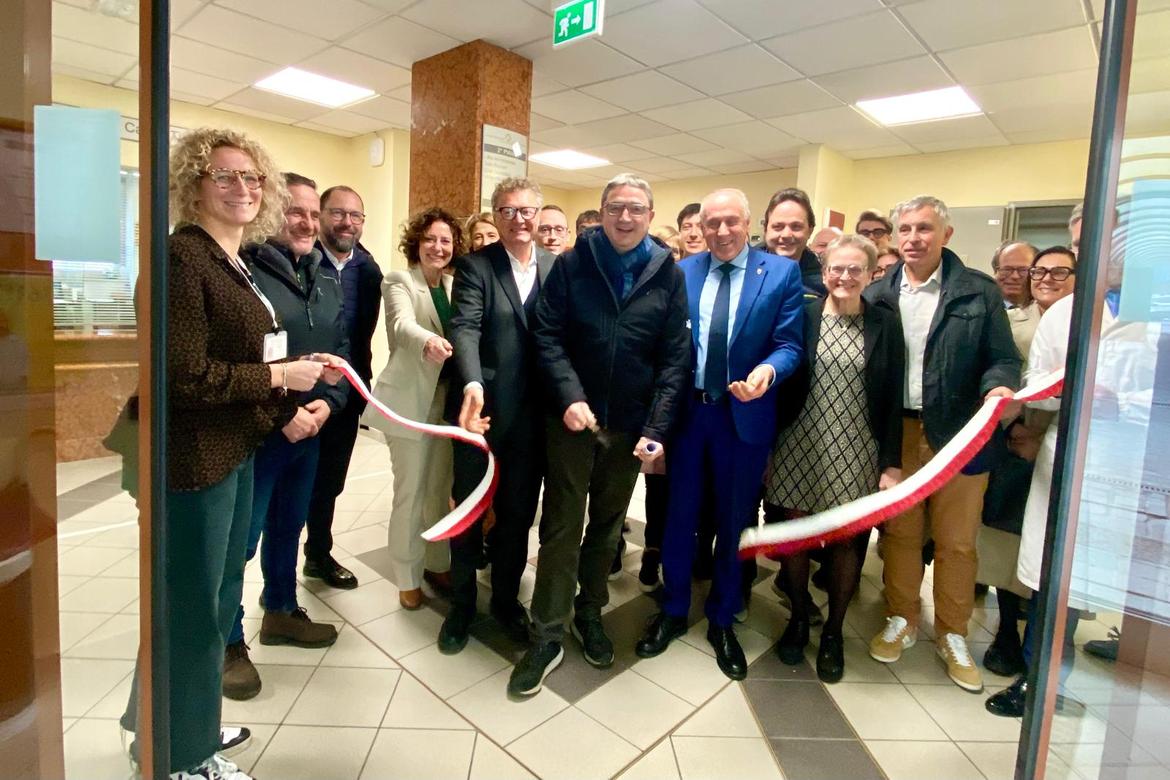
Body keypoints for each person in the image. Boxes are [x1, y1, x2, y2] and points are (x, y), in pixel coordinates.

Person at [123, 128, 335, 780]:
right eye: (224, 176)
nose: (242, 187)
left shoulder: (231, 260)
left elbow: (242, 355)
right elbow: (182, 377)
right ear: (193, 185)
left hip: (234, 450)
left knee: (209, 602)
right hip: (195, 462)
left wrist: (294, 374)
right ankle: (182, 757)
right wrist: (279, 378)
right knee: (194, 609)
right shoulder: (182, 258)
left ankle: (166, 726)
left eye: (251, 177)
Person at [514, 173, 690, 696]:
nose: (625, 217)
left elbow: (675, 358)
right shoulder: (573, 263)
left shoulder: (667, 272)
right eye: (615, 207)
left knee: (608, 526)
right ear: (602, 211)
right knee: (561, 524)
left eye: (636, 208)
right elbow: (546, 334)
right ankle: (547, 632)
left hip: (630, 425)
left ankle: (589, 612)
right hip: (572, 419)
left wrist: (656, 426)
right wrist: (569, 396)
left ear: (650, 215)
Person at [637, 188, 804, 681]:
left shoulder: (780, 273)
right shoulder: (682, 271)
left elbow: (789, 344)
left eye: (731, 221)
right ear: (700, 227)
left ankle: (723, 617)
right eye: (712, 223)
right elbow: (667, 345)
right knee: (678, 516)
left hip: (743, 415)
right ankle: (672, 608)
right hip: (690, 415)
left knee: (734, 522)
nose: (722, 231)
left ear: (748, 223)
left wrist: (767, 372)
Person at [863, 195, 1020, 693]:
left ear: (946, 234)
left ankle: (952, 633)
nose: (914, 238)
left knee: (956, 540)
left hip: (960, 433)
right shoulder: (877, 293)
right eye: (906, 229)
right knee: (901, 535)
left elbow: (1003, 358)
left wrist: (998, 386)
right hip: (898, 432)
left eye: (925, 228)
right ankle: (902, 617)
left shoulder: (978, 291)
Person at [223, 173, 350, 701]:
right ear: (271, 212)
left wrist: (329, 404)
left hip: (310, 427)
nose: (306, 222)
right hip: (260, 432)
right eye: (295, 211)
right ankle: (227, 642)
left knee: (289, 526)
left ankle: (280, 610)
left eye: (313, 214)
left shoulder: (325, 276)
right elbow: (240, 359)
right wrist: (283, 416)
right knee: (239, 543)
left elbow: (341, 347)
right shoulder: (245, 272)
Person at [764, 235, 904, 682]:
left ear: (871, 274)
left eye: (855, 269)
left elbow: (893, 396)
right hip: (798, 441)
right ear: (824, 273)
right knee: (795, 534)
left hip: (857, 446)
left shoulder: (885, 323)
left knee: (846, 541)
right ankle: (797, 618)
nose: (844, 276)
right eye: (836, 269)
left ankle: (834, 632)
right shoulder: (803, 315)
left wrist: (891, 462)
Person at [438, 178, 556, 655]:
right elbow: (465, 327)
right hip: (480, 413)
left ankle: (506, 600)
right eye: (507, 211)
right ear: (496, 214)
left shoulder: (556, 267)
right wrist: (472, 383)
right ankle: (462, 604)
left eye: (527, 211)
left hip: (534, 418)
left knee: (517, 515)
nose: (518, 219)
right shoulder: (476, 266)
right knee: (469, 512)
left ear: (539, 215)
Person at [368, 208, 462, 609]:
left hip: (447, 404)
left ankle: (437, 562)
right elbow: (402, 325)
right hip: (408, 403)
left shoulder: (456, 285)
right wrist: (428, 341)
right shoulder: (399, 280)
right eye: (429, 239)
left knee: (439, 491)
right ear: (416, 243)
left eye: (445, 240)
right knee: (410, 493)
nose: (437, 247)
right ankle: (407, 575)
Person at [978, 243, 1063, 678]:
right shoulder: (1009, 319)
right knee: (1006, 543)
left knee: (1056, 550)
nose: (1044, 280)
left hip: (1059, 445)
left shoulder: (1087, 323)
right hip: (1011, 443)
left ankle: (1048, 643)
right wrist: (1015, 432)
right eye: (1039, 272)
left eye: (1058, 273)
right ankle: (1007, 630)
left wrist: (1044, 437)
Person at [303, 184, 383, 590]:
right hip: (299, 390)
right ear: (321, 216)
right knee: (291, 483)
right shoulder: (300, 261)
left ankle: (317, 553)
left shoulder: (369, 271)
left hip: (348, 390)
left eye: (355, 216)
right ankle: (277, 579)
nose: (347, 222)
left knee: (331, 480)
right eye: (337, 213)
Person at [761, 188, 826, 296]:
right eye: (778, 226)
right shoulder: (744, 270)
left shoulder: (823, 282)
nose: (786, 235)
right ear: (765, 229)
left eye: (796, 227)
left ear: (810, 231)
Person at [992, 240, 1037, 310]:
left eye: (1023, 270)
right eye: (1007, 269)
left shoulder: (1049, 312)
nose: (1015, 276)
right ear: (995, 272)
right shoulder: (980, 310)